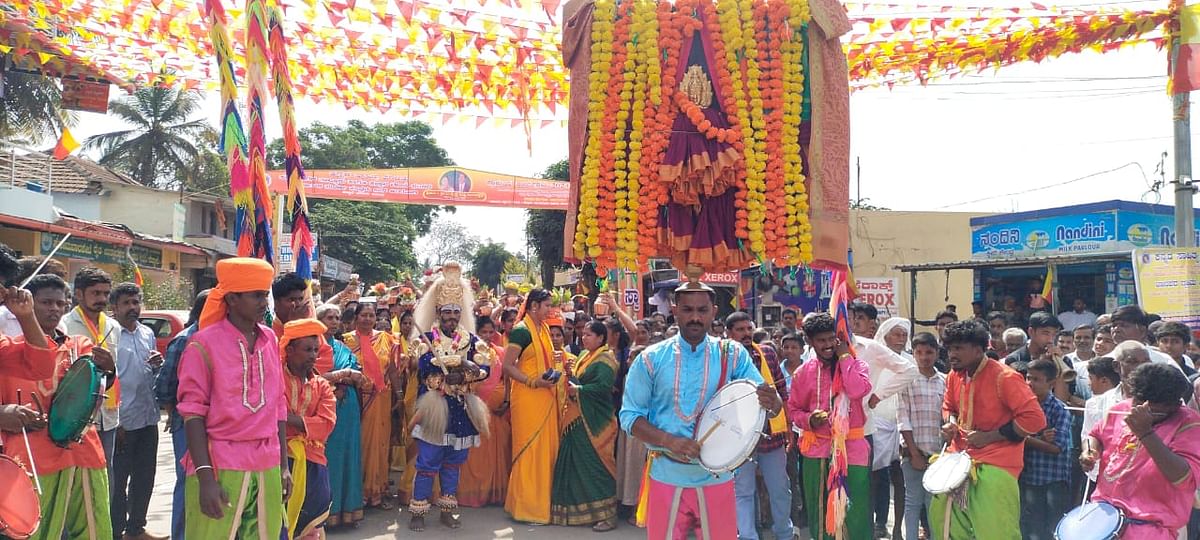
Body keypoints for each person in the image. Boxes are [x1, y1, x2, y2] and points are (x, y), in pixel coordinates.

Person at [619, 279, 779, 539]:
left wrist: (772, 402)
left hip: (717, 479)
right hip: (666, 475)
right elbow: (629, 416)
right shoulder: (651, 358)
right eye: (687, 310)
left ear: (714, 312)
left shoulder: (733, 354)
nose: (695, 317)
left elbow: (764, 404)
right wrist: (668, 441)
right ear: (674, 309)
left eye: (702, 310)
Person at [177, 258, 289, 539]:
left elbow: (278, 405)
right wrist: (205, 478)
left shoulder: (270, 340)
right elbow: (192, 413)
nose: (264, 302)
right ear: (232, 299)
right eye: (256, 295)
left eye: (265, 294)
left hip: (267, 461)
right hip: (220, 461)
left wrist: (284, 467)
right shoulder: (203, 344)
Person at [0, 274, 116, 540]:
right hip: (31, 456)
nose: (53, 309)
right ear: (28, 304)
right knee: (33, 530)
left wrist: (109, 370)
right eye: (45, 302)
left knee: (94, 527)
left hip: (83, 450)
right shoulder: (10, 351)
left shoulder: (81, 345)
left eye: (59, 303)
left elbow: (96, 391)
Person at [933, 320, 1047, 540]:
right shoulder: (954, 375)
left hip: (996, 464)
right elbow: (949, 407)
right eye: (949, 348)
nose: (952, 354)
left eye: (958, 348)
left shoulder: (1005, 377)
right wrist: (951, 422)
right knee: (943, 522)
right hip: (957, 459)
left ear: (978, 350)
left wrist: (990, 436)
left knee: (995, 530)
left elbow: (1035, 419)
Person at [407, 269, 491, 532]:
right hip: (435, 407)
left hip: (461, 408)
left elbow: (484, 367)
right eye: (447, 312)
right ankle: (418, 509)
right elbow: (424, 366)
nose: (452, 317)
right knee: (428, 462)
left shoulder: (471, 340)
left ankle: (447, 509)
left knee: (454, 462)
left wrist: (468, 370)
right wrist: (447, 371)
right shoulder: (427, 339)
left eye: (456, 312)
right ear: (439, 313)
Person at [1081, 363, 1200, 539]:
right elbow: (1095, 435)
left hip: (1150, 529)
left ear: (1174, 404)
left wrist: (1146, 433)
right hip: (1104, 519)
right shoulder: (1121, 409)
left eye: (1153, 410)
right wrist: (1089, 451)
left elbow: (1183, 478)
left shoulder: (1189, 423)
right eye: (1137, 402)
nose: (1140, 410)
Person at [788, 312, 871, 540]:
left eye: (831, 339)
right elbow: (793, 410)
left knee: (856, 511)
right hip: (817, 451)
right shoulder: (802, 373)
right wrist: (809, 420)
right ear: (810, 342)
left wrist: (844, 358)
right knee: (820, 511)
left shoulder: (857, 365)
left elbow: (856, 391)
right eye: (821, 340)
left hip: (852, 450)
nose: (827, 345)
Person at [108, 282, 166, 540]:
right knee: (118, 481)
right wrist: (116, 421)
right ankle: (115, 531)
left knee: (144, 477)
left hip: (147, 417)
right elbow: (107, 379)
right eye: (126, 303)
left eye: (136, 302)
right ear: (115, 307)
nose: (132, 308)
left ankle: (136, 529)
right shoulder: (110, 334)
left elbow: (150, 372)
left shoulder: (146, 333)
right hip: (121, 422)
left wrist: (158, 365)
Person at [727, 312, 792, 540]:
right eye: (740, 330)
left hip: (771, 436)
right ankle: (747, 536)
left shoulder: (767, 353)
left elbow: (781, 392)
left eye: (748, 329)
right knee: (743, 491)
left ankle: (784, 532)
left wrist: (788, 427)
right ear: (729, 333)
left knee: (780, 490)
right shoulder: (724, 358)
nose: (746, 334)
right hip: (740, 439)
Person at [503, 288, 565, 525]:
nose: (550, 309)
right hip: (528, 397)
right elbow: (507, 367)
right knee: (530, 450)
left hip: (546, 394)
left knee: (546, 450)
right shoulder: (521, 331)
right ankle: (526, 508)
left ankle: (542, 506)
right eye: (547, 305)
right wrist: (532, 381)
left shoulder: (545, 329)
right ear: (534, 306)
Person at [551, 320, 620, 530]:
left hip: (594, 421)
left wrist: (579, 390)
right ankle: (573, 512)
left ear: (601, 338)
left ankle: (607, 515)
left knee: (595, 465)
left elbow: (603, 387)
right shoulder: (583, 355)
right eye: (584, 334)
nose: (584, 337)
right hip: (575, 418)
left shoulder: (606, 359)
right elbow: (580, 380)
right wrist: (570, 376)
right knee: (574, 465)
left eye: (590, 335)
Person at [154, 290, 209, 540]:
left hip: (217, 426)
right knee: (188, 482)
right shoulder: (186, 339)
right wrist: (175, 413)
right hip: (187, 424)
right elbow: (164, 386)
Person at [279, 319, 337, 540]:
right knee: (278, 522)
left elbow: (326, 424)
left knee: (312, 524)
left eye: (316, 350)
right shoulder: (277, 378)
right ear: (290, 350)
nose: (313, 355)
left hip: (314, 461)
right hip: (281, 459)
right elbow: (274, 418)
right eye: (307, 350)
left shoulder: (321, 385)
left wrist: (289, 419)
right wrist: (303, 422)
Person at [62, 267, 121, 465]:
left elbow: (115, 369)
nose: (102, 299)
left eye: (106, 293)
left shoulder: (113, 326)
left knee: (105, 472)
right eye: (96, 293)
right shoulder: (65, 325)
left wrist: (109, 367)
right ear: (78, 294)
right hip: (76, 414)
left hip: (107, 413)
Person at [342, 301, 398, 509]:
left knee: (380, 445)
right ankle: (358, 493)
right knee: (359, 445)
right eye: (363, 315)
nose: (367, 319)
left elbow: (392, 369)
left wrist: (399, 396)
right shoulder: (346, 341)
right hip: (356, 399)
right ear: (356, 317)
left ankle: (377, 491)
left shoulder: (386, 339)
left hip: (381, 398)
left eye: (371, 315)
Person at [315, 304, 366, 528]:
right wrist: (344, 376)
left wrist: (344, 378)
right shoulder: (312, 345)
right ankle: (325, 514)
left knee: (349, 455)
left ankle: (348, 511)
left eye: (337, 317)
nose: (335, 321)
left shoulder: (343, 348)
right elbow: (314, 376)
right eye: (329, 317)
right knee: (329, 457)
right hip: (324, 407)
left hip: (348, 408)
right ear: (318, 319)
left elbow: (359, 375)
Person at [457, 316, 512, 508]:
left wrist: (506, 400)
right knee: (474, 456)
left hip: (497, 414)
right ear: (476, 333)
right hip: (474, 411)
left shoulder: (500, 352)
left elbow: (507, 379)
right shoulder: (467, 355)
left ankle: (493, 493)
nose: (488, 336)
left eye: (491, 332)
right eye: (483, 332)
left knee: (495, 455)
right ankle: (472, 492)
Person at [871, 317, 916, 540]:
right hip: (878, 424)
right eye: (896, 334)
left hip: (904, 426)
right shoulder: (876, 357)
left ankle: (899, 528)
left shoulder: (911, 361)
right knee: (875, 477)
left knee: (901, 479)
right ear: (885, 335)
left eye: (904, 335)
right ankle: (874, 522)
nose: (900, 339)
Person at [897, 332, 945, 540]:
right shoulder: (907, 381)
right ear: (913, 354)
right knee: (913, 501)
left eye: (929, 352)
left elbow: (948, 416)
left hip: (939, 454)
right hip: (912, 452)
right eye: (919, 352)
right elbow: (903, 418)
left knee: (934, 502)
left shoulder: (945, 380)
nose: (924, 357)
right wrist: (914, 453)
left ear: (936, 353)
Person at [1019, 359, 1072, 540]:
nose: (1029, 383)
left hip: (1053, 479)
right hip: (1028, 476)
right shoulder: (1022, 407)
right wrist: (1039, 439)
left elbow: (1057, 447)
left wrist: (1023, 437)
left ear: (1051, 383)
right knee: (1031, 526)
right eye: (1028, 377)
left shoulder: (1059, 409)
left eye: (1036, 379)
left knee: (1053, 527)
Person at [1079, 355, 1119, 489]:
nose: (1088, 383)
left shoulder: (1125, 404)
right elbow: (1088, 433)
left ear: (1104, 381)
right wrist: (1089, 452)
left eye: (1091, 378)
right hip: (1095, 472)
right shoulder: (1091, 404)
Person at [1110, 305, 1181, 368]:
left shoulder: (1163, 361)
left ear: (1142, 331)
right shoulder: (1107, 360)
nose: (1116, 329)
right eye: (1114, 326)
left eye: (1124, 325)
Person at [1004, 311, 1062, 375]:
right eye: (1045, 333)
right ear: (1031, 332)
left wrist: (1059, 363)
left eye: (1054, 334)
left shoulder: (1062, 359)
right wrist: (1042, 364)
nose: (1050, 340)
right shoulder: (1014, 359)